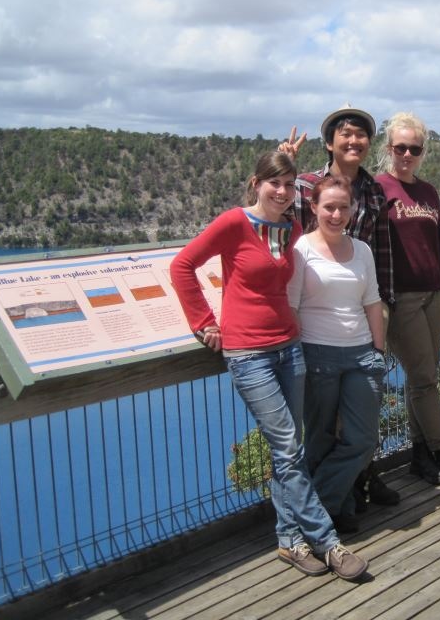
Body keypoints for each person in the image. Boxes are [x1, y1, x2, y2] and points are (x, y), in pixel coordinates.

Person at [169, 151, 368, 581]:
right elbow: (182, 266)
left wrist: (286, 158)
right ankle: (328, 543)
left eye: (289, 184)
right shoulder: (233, 223)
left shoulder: (290, 227)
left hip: (289, 348)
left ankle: (289, 540)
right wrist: (203, 323)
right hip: (249, 353)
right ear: (255, 183)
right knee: (289, 447)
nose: (281, 191)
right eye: (273, 183)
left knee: (287, 450)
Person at [280, 106, 400, 510]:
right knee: (322, 431)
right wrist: (283, 166)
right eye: (345, 134)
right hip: (318, 326)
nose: (353, 141)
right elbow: (272, 217)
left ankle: (350, 489)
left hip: (363, 314)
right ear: (329, 143)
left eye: (361, 135)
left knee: (359, 427)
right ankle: (335, 506)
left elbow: (381, 251)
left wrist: (382, 322)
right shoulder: (303, 185)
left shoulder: (374, 191)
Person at [375, 112, 440, 486]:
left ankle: (421, 457)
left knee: (419, 379)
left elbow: (439, 248)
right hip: (401, 298)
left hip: (434, 293)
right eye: (400, 147)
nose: (407, 154)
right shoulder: (378, 188)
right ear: (389, 148)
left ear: (423, 151)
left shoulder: (428, 192)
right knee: (424, 378)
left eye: (415, 149)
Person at [288, 175, 388, 536]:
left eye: (343, 207)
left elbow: (372, 302)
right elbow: (291, 306)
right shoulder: (301, 249)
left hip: (361, 354)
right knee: (319, 439)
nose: (336, 214)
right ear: (314, 207)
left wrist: (378, 351)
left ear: (353, 209)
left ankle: (313, 511)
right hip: (318, 354)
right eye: (328, 207)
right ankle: (339, 509)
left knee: (362, 439)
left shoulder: (361, 250)